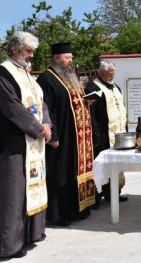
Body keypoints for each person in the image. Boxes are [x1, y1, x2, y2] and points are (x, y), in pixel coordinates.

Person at [0, 31, 52, 259]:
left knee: (29, 191)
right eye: (28, 51)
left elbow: (41, 103)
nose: (32, 55)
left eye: (32, 51)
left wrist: (47, 123)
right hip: (12, 145)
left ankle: (30, 234)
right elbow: (12, 107)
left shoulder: (26, 74)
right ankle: (7, 246)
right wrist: (38, 129)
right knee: (12, 195)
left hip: (32, 143)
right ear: (15, 49)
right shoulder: (2, 74)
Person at [37, 42, 95, 226]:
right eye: (67, 57)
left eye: (71, 57)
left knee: (73, 172)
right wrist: (52, 135)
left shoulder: (72, 77)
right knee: (60, 174)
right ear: (56, 58)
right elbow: (44, 110)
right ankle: (58, 215)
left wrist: (87, 102)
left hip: (77, 139)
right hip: (61, 137)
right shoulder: (46, 79)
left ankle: (78, 211)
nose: (71, 60)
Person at [85, 60, 128, 207]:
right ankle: (96, 198)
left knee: (115, 165)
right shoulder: (92, 88)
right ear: (101, 72)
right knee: (101, 167)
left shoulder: (116, 87)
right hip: (102, 134)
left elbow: (122, 110)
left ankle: (113, 194)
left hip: (118, 134)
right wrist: (95, 135)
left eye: (114, 73)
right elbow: (91, 114)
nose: (112, 76)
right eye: (110, 74)